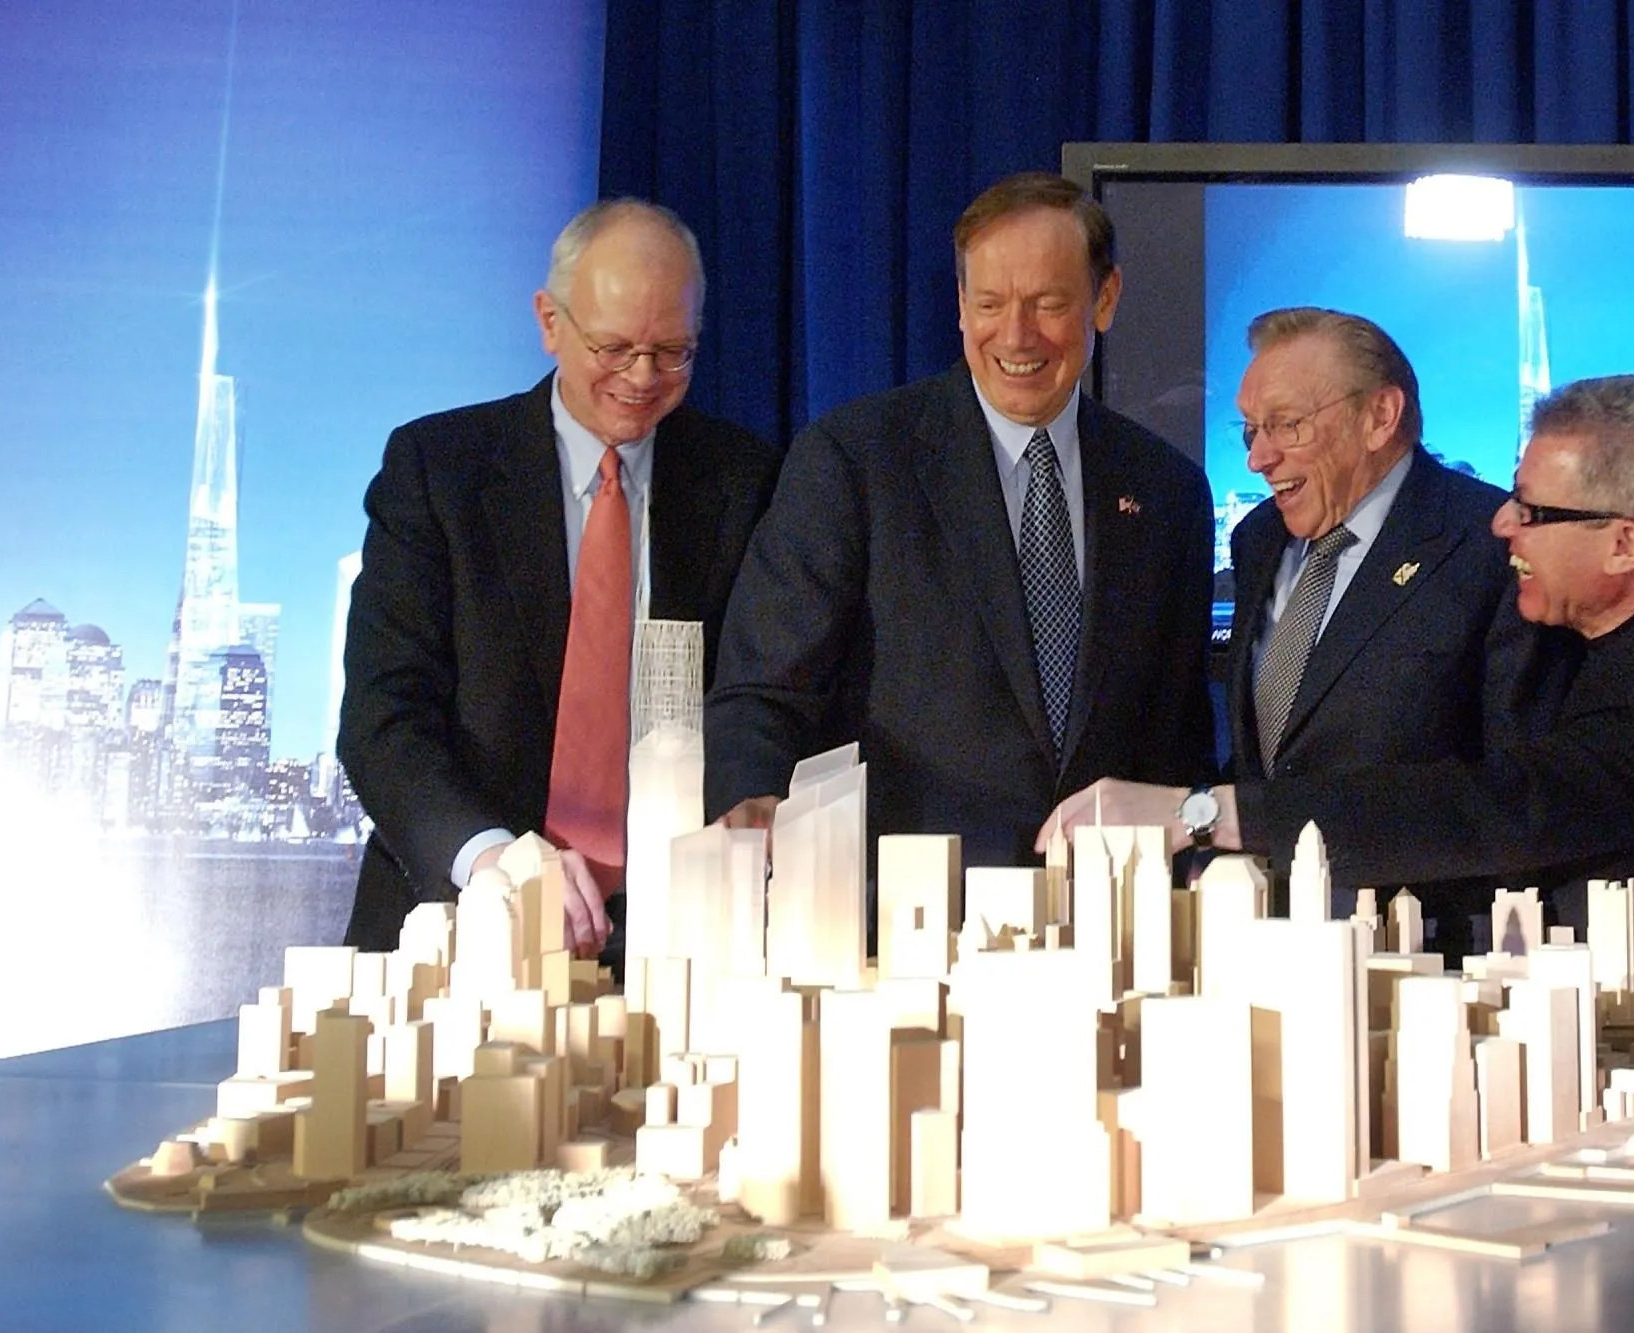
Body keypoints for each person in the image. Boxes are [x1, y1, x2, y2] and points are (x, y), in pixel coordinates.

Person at [1042, 374, 1634, 998]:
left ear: (1624, 544)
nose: (1502, 524)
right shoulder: (1633, 646)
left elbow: (1487, 809)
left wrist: (1201, 814)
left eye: (1532, 510)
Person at [704, 172, 1213, 870]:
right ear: (961, 307)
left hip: (1111, 909)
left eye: (1048, 304)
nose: (1017, 334)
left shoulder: (1166, 491)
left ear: (1105, 299)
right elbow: (762, 690)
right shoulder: (855, 460)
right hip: (908, 911)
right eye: (990, 303)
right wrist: (752, 802)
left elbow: (1177, 739)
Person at [338, 200, 782, 958]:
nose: (642, 377)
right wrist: (492, 858)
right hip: (464, 923)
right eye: (614, 347)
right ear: (550, 322)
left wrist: (753, 800)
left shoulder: (745, 481)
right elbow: (384, 718)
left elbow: (767, 693)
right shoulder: (439, 471)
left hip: (679, 935)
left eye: (672, 351)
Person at [1222, 308, 1566, 791]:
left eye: (1287, 425)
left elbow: (1517, 787)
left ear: (1380, 417)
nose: (1258, 459)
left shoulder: (1493, 546)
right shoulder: (1257, 538)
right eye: (1251, 430)